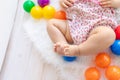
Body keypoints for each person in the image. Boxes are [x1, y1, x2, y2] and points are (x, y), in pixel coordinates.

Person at [47, 0, 120, 56]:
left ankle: (78, 50)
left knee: (109, 35)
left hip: (99, 25)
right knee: (51, 24)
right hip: (75, 26)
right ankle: (63, 45)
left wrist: (116, 2)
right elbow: (64, 4)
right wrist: (62, 1)